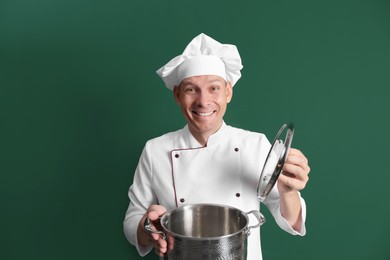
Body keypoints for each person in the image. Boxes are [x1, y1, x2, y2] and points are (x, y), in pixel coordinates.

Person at [123, 33, 310, 260]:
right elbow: (132, 221)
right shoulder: (155, 150)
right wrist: (148, 229)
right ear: (177, 95)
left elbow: (292, 221)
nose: (203, 101)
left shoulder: (256, 144)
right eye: (191, 89)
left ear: (228, 92)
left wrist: (288, 191)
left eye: (214, 88)